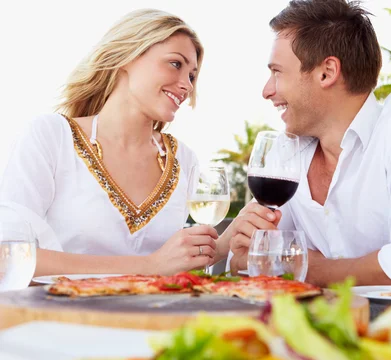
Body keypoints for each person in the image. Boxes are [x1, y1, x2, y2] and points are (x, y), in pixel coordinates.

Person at [226, 0, 391, 300]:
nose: (267, 90)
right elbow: (250, 262)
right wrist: (249, 252)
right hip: (342, 332)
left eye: (277, 72)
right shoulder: (285, 153)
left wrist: (305, 268)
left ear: (327, 72)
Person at [0, 9, 231, 277]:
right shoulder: (51, 137)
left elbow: (175, 271)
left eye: (192, 76)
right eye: (176, 64)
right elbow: (8, 258)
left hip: (157, 317)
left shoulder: (184, 161)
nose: (187, 86)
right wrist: (148, 266)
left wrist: (223, 247)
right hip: (62, 316)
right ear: (127, 57)